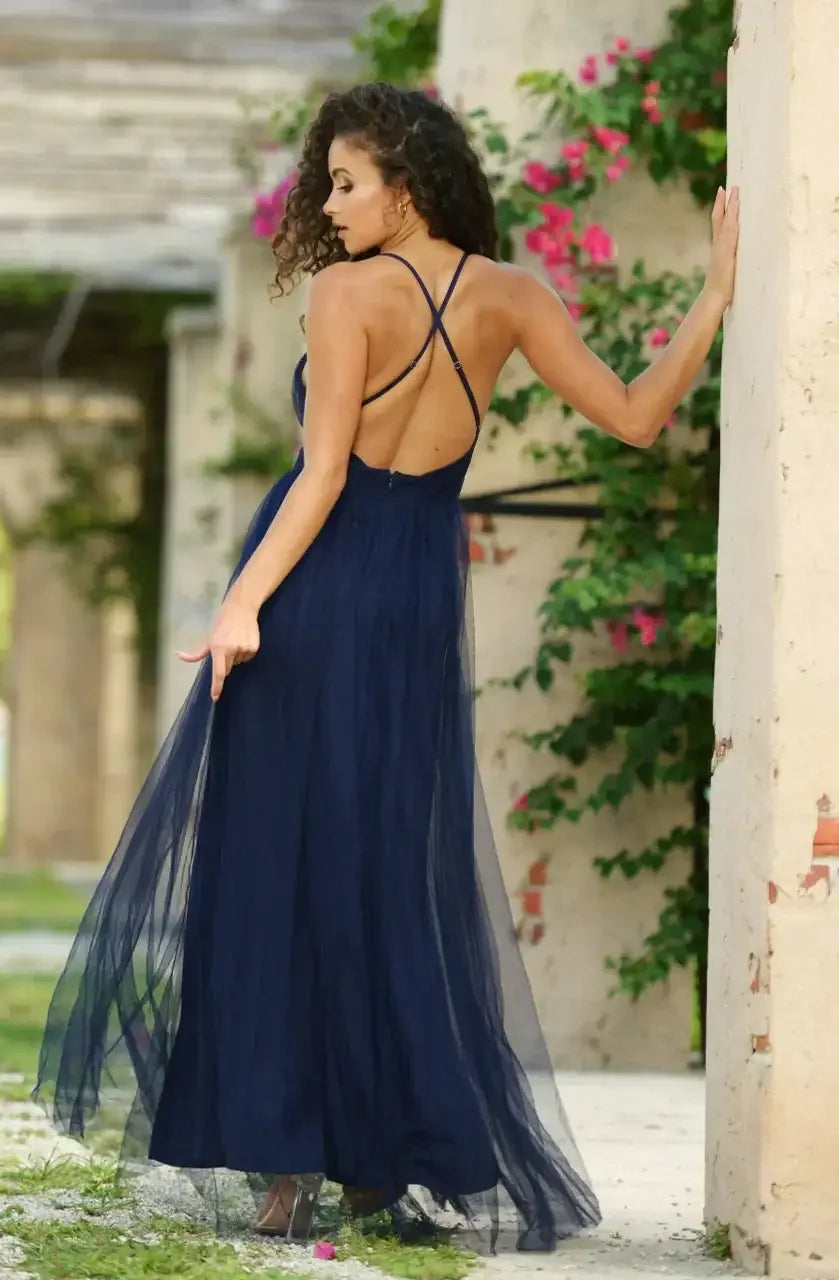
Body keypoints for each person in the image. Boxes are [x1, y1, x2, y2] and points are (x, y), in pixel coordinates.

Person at [34, 81, 739, 1253]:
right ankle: (378, 1161)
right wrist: (713, 293)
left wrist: (241, 604)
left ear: (405, 182)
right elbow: (630, 414)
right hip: (414, 599)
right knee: (384, 872)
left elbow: (318, 478)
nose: (329, 200)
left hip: (313, 598)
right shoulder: (513, 295)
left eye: (347, 180)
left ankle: (285, 1162)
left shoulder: (345, 293)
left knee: (277, 868)